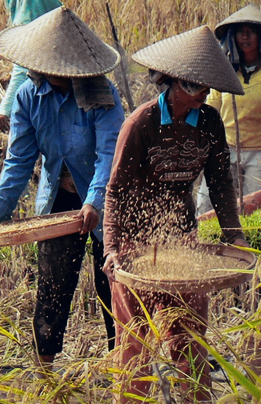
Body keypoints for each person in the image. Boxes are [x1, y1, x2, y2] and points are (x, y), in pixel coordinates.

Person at [103, 26, 249, 403]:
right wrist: (112, 247)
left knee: (189, 336)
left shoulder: (210, 123)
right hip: (135, 243)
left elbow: (220, 184)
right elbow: (115, 190)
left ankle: (194, 398)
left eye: (207, 88)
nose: (204, 94)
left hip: (181, 239)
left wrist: (234, 234)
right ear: (175, 83)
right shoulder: (142, 123)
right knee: (134, 342)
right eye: (197, 87)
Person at [0, 7, 124, 367]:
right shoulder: (28, 96)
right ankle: (45, 370)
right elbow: (19, 160)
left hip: (106, 200)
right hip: (58, 197)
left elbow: (109, 154)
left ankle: (122, 366)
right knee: (53, 286)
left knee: (112, 284)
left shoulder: (102, 94)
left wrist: (94, 202)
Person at [197, 4, 261, 214]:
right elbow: (212, 108)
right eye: (240, 31)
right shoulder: (226, 68)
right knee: (206, 203)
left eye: (251, 32)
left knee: (255, 208)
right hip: (226, 147)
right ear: (233, 36)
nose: (245, 37)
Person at [0, 0, 62, 134]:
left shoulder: (27, 28)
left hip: (44, 103)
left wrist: (5, 108)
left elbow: (22, 70)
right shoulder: (65, 20)